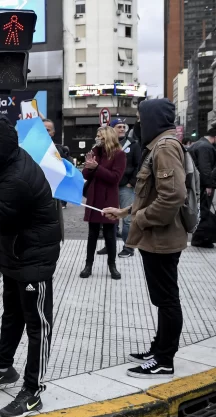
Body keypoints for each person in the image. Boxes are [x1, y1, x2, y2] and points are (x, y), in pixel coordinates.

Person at [0, 112, 61, 417]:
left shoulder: (16, 176)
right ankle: (4, 369)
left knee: (38, 326)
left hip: (34, 258)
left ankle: (33, 391)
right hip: (16, 253)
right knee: (12, 317)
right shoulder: (3, 163)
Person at [104, 98, 186, 379]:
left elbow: (173, 196)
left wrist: (139, 219)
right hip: (156, 236)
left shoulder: (165, 148)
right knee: (163, 298)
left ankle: (164, 360)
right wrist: (125, 211)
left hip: (162, 238)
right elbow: (149, 193)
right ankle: (159, 348)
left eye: (141, 117)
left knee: (166, 299)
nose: (138, 123)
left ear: (152, 118)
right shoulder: (159, 146)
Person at [79, 126, 126, 280]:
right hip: (93, 198)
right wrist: (89, 164)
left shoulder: (119, 154)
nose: (97, 138)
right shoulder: (95, 152)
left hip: (108, 199)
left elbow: (115, 178)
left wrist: (97, 167)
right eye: (97, 135)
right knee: (92, 234)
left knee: (110, 235)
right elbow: (86, 174)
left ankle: (112, 266)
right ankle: (88, 265)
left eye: (100, 135)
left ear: (108, 137)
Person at [96, 118, 143, 258]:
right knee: (110, 216)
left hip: (125, 186)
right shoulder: (105, 145)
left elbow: (138, 165)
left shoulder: (133, 144)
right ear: (111, 129)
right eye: (119, 127)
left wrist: (132, 182)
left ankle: (128, 247)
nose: (122, 129)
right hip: (110, 186)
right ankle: (109, 244)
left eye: (124, 126)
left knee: (127, 218)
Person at [187, 124, 216, 248]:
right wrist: (209, 185)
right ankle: (200, 239)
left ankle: (199, 238)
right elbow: (205, 168)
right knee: (203, 211)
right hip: (202, 185)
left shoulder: (198, 144)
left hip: (195, 183)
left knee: (200, 210)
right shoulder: (206, 147)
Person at [43, 118, 71, 209]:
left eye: (47, 130)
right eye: (42, 129)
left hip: (53, 195)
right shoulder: (29, 148)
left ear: (52, 133)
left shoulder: (59, 150)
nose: (45, 132)